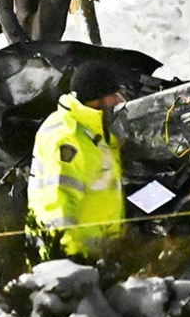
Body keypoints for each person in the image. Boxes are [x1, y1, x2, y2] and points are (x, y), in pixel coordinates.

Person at [25, 88, 126, 263]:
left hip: (98, 254)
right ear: (95, 100)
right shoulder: (67, 136)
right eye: (113, 96)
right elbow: (57, 199)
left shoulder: (96, 135)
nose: (117, 102)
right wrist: (66, 254)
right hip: (70, 258)